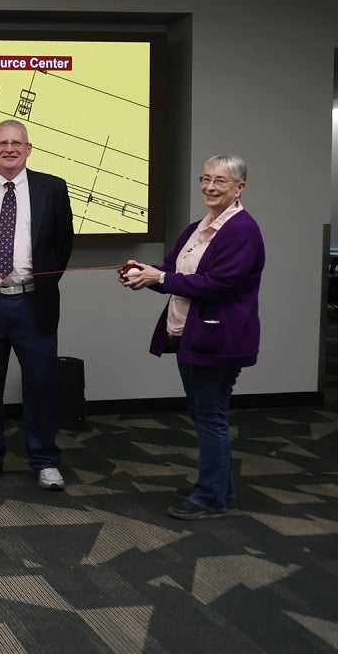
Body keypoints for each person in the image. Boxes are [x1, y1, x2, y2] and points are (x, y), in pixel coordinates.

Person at [120, 155, 263, 520]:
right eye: (206, 179)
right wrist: (143, 275)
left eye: (221, 181)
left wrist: (161, 279)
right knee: (205, 415)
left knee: (210, 417)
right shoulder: (197, 228)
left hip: (219, 340)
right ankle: (221, 491)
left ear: (239, 189)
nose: (210, 187)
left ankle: (209, 499)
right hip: (189, 335)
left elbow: (217, 284)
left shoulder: (242, 230)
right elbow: (170, 270)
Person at [0, 119, 73, 490]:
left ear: (28, 149)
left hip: (33, 303)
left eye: (16, 143)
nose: (9, 148)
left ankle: (44, 460)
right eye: (2, 143)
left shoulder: (52, 189)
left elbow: (62, 244)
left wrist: (41, 283)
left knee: (41, 384)